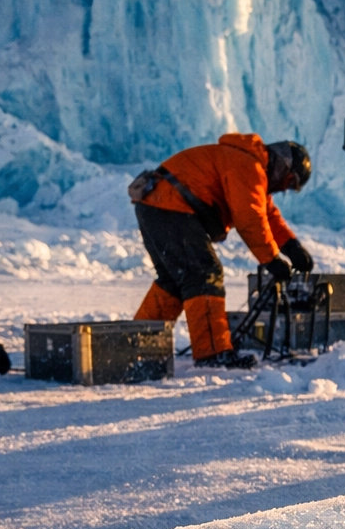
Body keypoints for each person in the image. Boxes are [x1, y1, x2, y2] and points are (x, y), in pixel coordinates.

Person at [132, 134, 314, 368]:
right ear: (286, 171)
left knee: (175, 281)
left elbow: (267, 214)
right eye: (290, 183)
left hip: (156, 205)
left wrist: (292, 247)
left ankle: (136, 347)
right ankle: (212, 353)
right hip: (170, 206)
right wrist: (272, 260)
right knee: (204, 274)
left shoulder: (249, 166)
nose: (284, 189)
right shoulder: (248, 166)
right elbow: (250, 219)